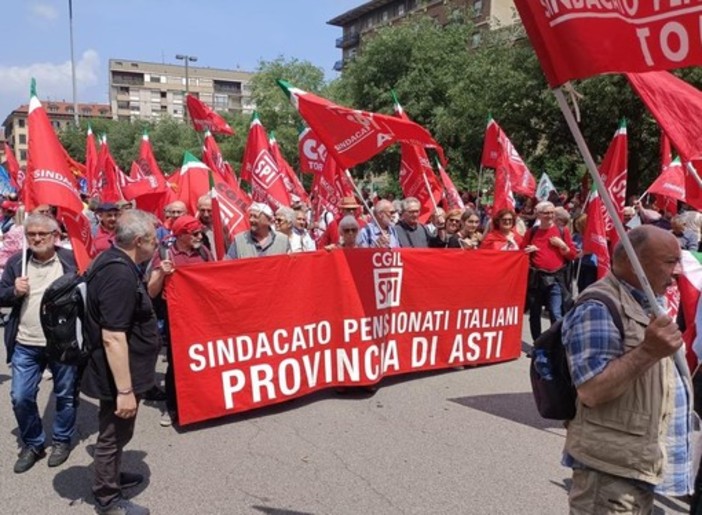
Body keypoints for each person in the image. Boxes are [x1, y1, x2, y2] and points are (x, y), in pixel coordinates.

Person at [562, 225, 696, 514]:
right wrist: (648, 351)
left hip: (635, 469)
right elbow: (592, 390)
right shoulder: (598, 305)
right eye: (669, 261)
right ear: (635, 261)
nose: (678, 273)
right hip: (611, 475)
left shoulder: (649, 302)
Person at [81, 209, 161, 515]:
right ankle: (108, 499)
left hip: (125, 371)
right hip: (117, 376)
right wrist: (125, 391)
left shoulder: (119, 262)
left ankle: (111, 476)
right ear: (139, 240)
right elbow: (113, 337)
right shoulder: (118, 273)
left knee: (119, 432)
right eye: (153, 240)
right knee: (112, 435)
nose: (156, 245)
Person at [0, 214, 78, 473]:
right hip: (26, 342)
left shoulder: (70, 260)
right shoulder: (16, 262)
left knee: (65, 395)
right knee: (20, 396)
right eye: (31, 234)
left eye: (41, 234)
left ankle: (61, 440)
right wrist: (13, 291)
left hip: (62, 343)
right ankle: (33, 443)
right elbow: (1, 296)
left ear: (54, 235)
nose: (36, 238)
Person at [147, 215, 212, 427]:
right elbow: (151, 290)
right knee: (176, 364)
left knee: (203, 360)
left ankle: (205, 403)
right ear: (181, 235)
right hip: (177, 319)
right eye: (194, 233)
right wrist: (161, 275)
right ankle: (172, 408)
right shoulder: (164, 254)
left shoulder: (203, 251)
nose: (199, 236)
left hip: (201, 316)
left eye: (200, 232)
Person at [522, 201, 577, 341]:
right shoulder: (532, 232)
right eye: (546, 213)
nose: (550, 215)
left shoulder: (562, 231)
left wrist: (563, 246)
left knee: (555, 312)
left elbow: (572, 255)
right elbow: (521, 251)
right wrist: (529, 250)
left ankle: (556, 344)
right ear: (538, 214)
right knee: (534, 314)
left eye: (552, 212)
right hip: (537, 278)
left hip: (556, 278)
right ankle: (538, 344)